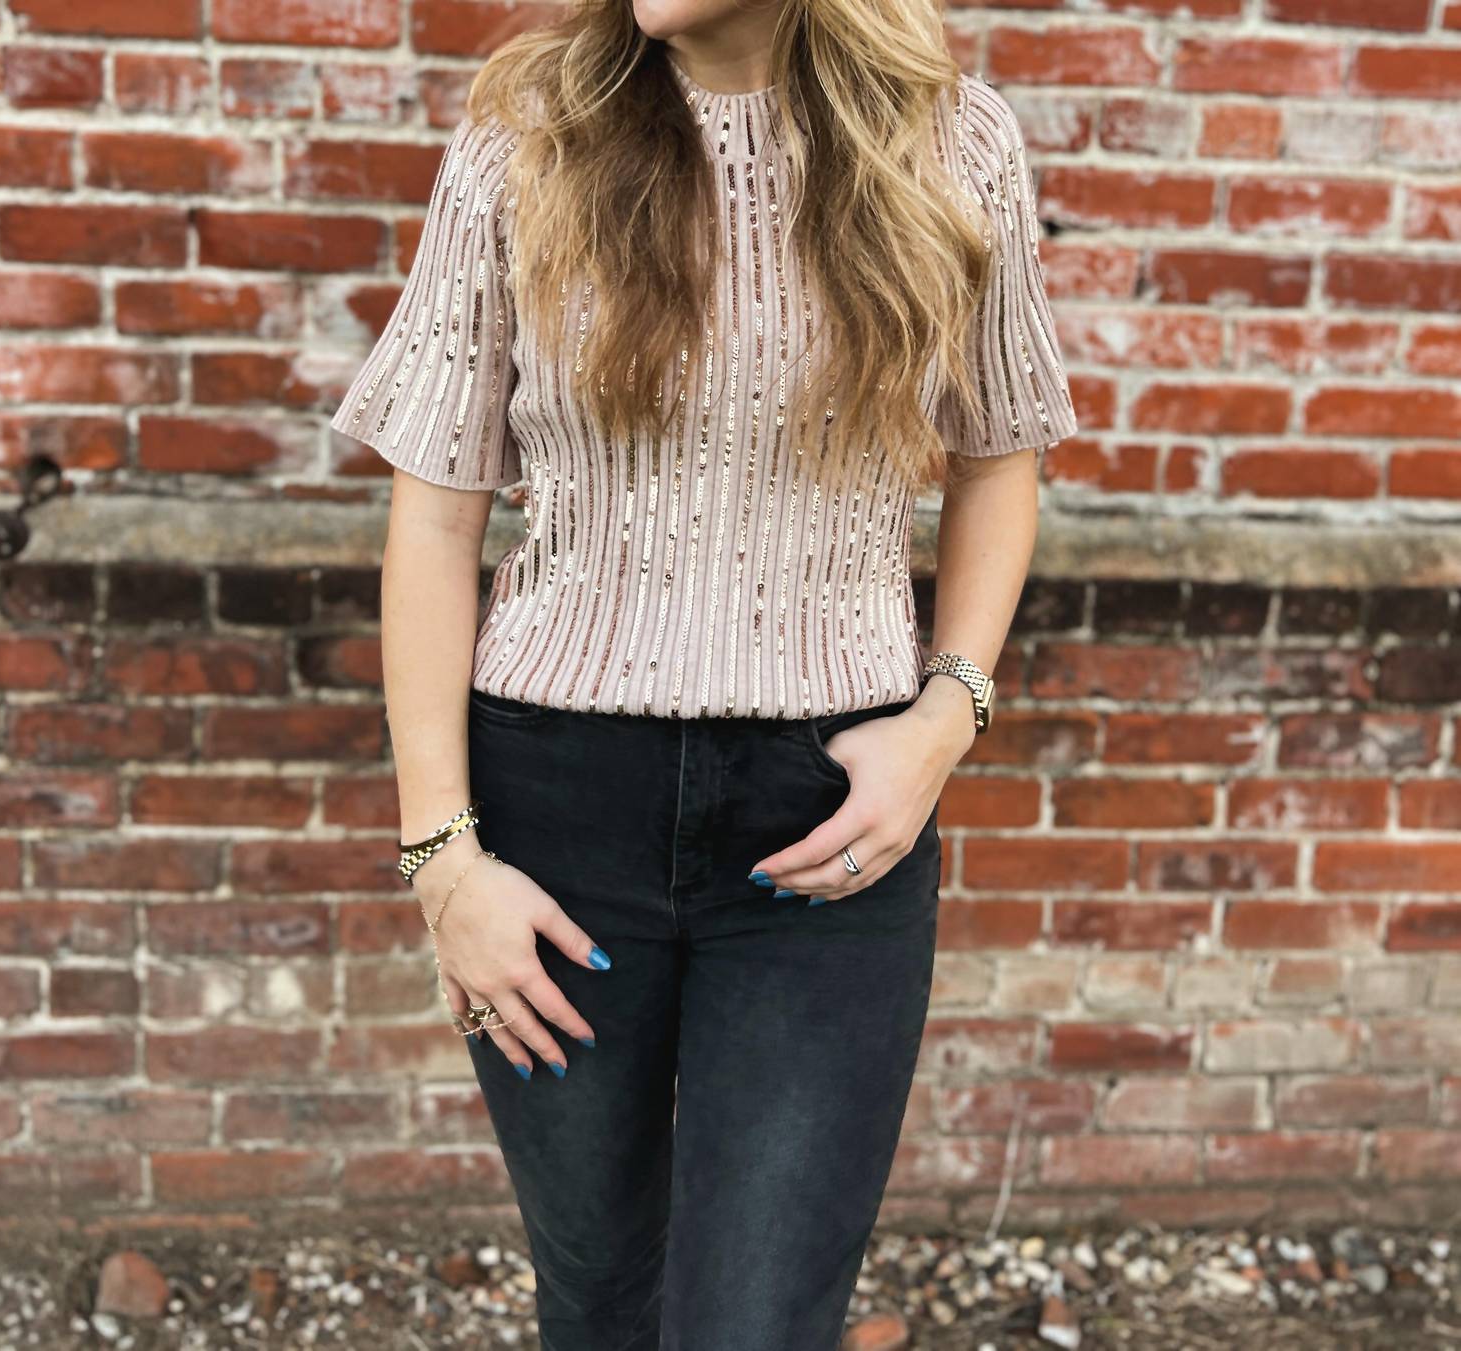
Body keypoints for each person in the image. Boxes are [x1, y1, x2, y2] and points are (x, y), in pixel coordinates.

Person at [328, 0, 1075, 1345]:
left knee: (758, 1320)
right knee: (601, 1300)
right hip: (557, 820)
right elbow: (435, 521)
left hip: (828, 821)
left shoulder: (953, 145)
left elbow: (998, 460)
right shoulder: (529, 138)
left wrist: (943, 719)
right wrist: (443, 862)